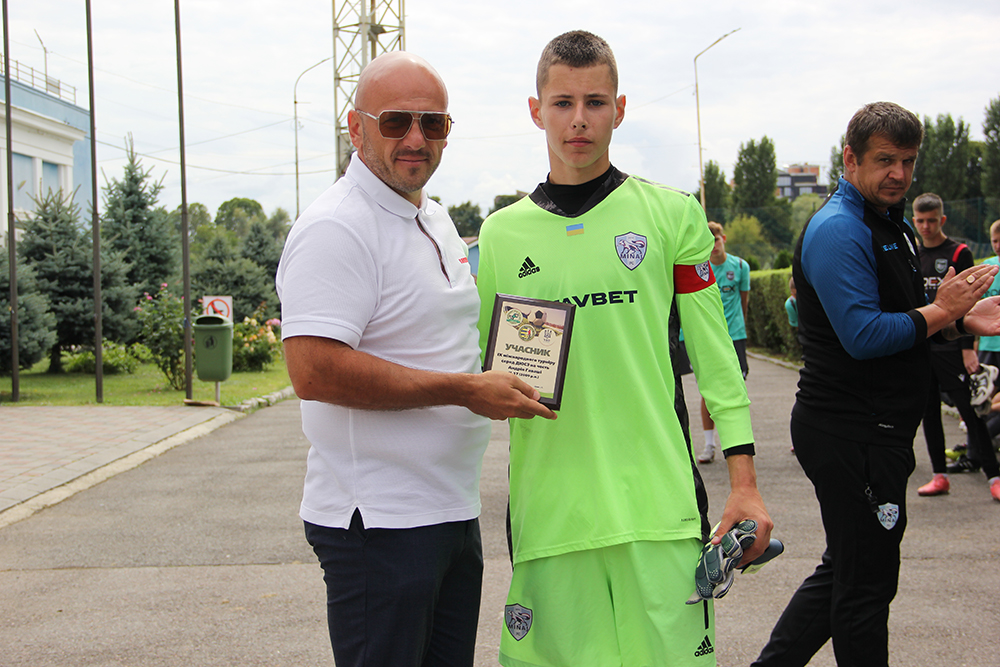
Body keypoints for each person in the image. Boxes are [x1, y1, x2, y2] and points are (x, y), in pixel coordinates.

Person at [475, 30, 772, 667]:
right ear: (536, 111)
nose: (579, 119)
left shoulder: (672, 215)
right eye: (562, 103)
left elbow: (716, 359)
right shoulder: (500, 235)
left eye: (595, 102)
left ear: (620, 108)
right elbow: (485, 372)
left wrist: (744, 483)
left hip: (659, 513)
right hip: (551, 519)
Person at [274, 51, 556, 667]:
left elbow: (444, 336)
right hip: (380, 522)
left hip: (447, 511)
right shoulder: (338, 226)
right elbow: (314, 371)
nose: (415, 139)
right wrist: (463, 390)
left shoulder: (432, 216)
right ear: (357, 128)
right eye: (396, 121)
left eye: (433, 123)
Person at [751, 102, 1000, 667]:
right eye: (885, 160)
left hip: (872, 432)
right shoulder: (840, 228)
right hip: (851, 432)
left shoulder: (890, 221)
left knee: (849, 570)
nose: (899, 174)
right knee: (865, 588)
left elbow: (902, 318)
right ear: (850, 159)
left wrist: (961, 320)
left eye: (908, 162)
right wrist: (944, 311)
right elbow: (864, 335)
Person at [912, 192, 1000, 500]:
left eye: (931, 220)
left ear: (942, 220)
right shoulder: (912, 255)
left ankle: (994, 476)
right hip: (923, 345)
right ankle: (940, 476)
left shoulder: (959, 252)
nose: (926, 226)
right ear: (914, 221)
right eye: (920, 221)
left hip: (952, 344)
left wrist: (967, 347)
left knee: (971, 411)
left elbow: (969, 302)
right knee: (929, 413)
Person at [697, 221, 751, 464]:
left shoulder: (740, 267)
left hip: (735, 335)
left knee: (736, 389)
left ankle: (737, 445)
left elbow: (744, 301)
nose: (714, 246)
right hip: (710, 337)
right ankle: (709, 444)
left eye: (716, 240)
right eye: (709, 242)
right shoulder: (701, 269)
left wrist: (741, 327)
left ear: (724, 239)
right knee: (708, 391)